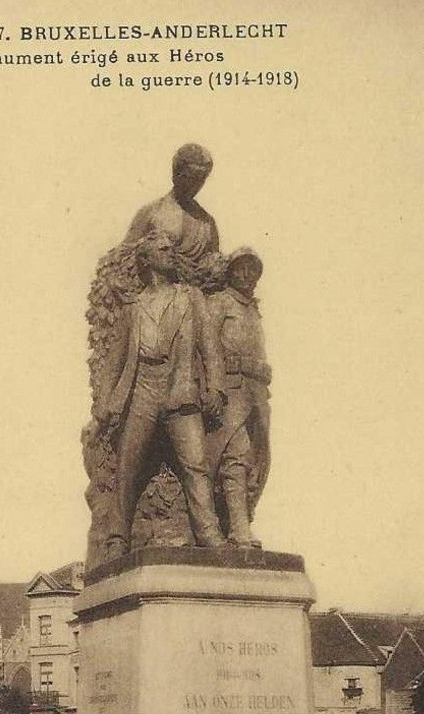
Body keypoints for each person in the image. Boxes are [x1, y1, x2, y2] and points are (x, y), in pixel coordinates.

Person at [95, 233, 227, 558]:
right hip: (142, 391)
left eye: (171, 247)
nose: (170, 252)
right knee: (129, 465)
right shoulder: (133, 308)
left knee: (196, 464)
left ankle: (208, 532)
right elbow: (114, 361)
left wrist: (216, 387)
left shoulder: (191, 298)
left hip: (180, 391)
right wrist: (104, 402)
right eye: (162, 248)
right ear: (146, 259)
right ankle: (117, 538)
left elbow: (210, 347)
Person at [205, 248, 272, 547]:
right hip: (230, 392)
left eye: (253, 270)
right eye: (241, 269)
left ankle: (240, 521)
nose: (247, 276)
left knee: (256, 461)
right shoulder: (219, 303)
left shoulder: (253, 310)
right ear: (230, 271)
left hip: (256, 395)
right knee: (236, 455)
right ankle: (238, 529)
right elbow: (204, 348)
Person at [124, 144, 220, 275]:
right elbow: (124, 261)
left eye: (200, 180)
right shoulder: (151, 213)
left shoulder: (207, 223)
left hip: (194, 293)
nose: (194, 186)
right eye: (190, 178)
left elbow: (215, 268)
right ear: (175, 175)